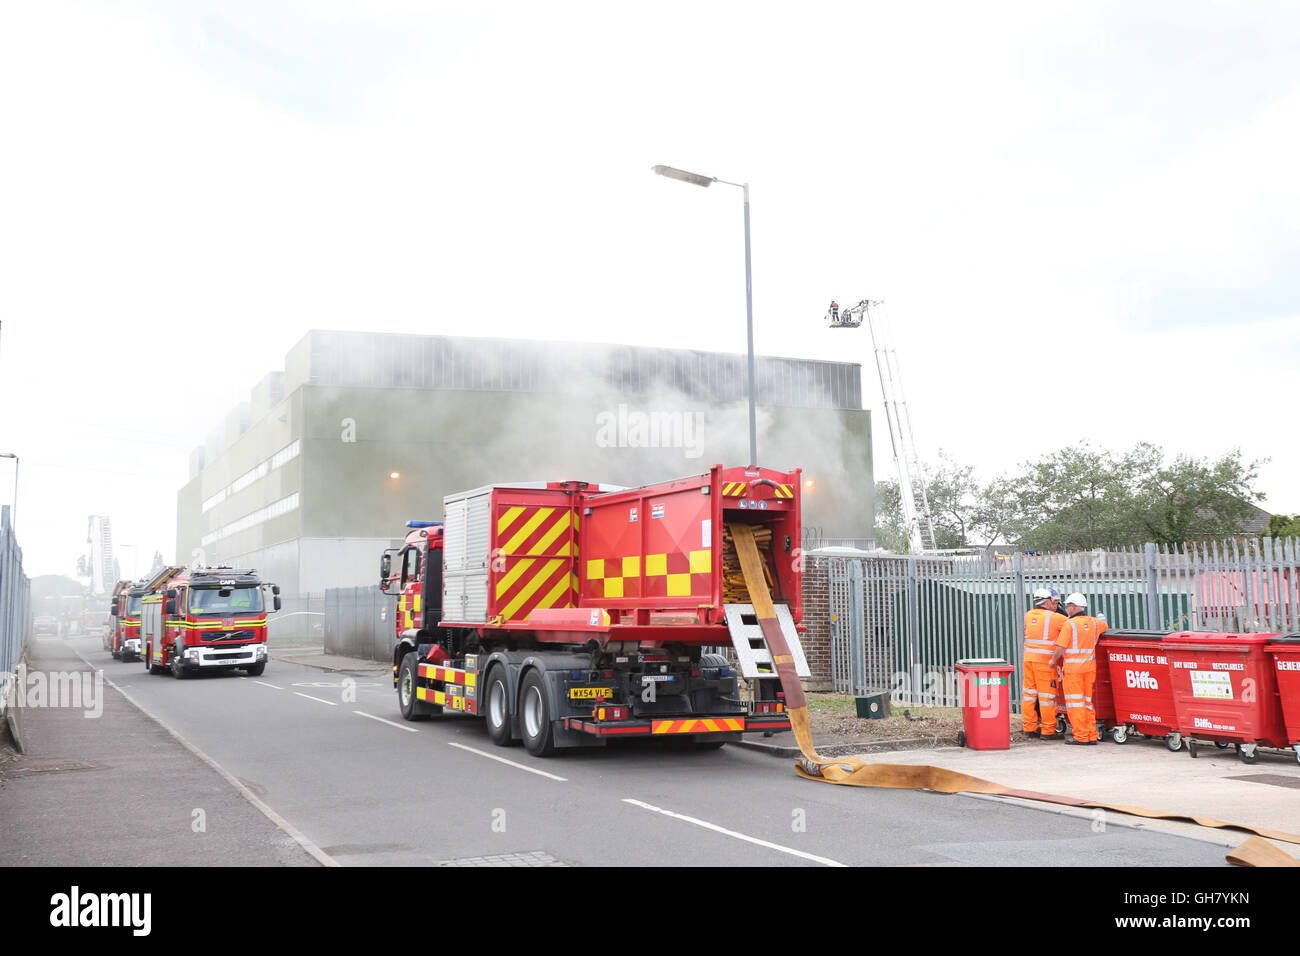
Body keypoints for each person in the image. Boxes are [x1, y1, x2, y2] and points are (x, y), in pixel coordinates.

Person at [1050, 592, 1107, 745]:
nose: (1067, 608)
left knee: (1075, 704)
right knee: (1087, 702)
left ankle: (1081, 736)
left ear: (1074, 607)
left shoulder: (1070, 624)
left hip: (1074, 671)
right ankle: (1091, 735)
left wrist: (1053, 660)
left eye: (1068, 606)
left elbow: (1061, 647)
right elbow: (1105, 625)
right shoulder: (1095, 623)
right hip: (1089, 669)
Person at [1022, 587, 1066, 739]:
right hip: (1045, 663)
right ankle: (1048, 730)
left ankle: (1029, 727)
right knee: (1047, 696)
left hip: (1028, 660)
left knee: (1029, 695)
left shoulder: (1028, 615)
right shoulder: (1055, 618)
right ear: (1048, 602)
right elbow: (1073, 627)